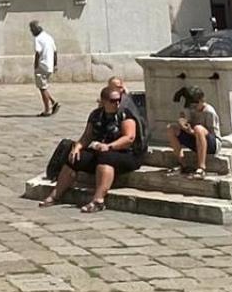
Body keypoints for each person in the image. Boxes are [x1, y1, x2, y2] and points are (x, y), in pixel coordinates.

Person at [40, 83, 146, 213]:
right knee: (75, 158)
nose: (117, 103)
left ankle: (98, 200)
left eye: (119, 100)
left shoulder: (125, 114)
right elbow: (87, 136)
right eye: (113, 101)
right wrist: (77, 147)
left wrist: (109, 146)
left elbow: (129, 138)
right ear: (104, 101)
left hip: (126, 154)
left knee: (106, 158)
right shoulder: (96, 115)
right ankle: (56, 195)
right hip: (102, 152)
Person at [165, 85, 221, 178]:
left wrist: (192, 131)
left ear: (201, 101)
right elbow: (189, 122)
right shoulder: (191, 110)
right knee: (171, 128)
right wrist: (183, 123)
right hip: (195, 139)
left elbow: (211, 133)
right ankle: (182, 164)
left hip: (211, 144)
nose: (193, 108)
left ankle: (201, 167)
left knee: (198, 129)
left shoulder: (209, 112)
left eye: (195, 106)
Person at [30, 19, 59, 117]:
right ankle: (53, 102)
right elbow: (55, 52)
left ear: (36, 28)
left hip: (42, 65)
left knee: (42, 88)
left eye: (32, 29)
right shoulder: (49, 37)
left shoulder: (38, 38)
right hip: (49, 66)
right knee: (44, 86)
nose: (31, 32)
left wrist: (35, 65)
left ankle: (47, 110)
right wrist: (55, 65)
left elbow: (38, 53)